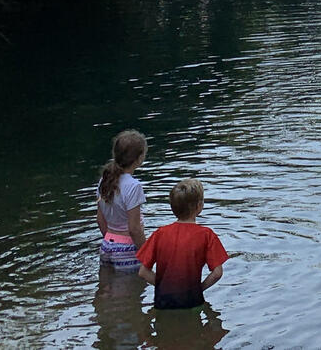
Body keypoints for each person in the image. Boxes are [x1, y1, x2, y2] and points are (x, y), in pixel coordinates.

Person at [138, 178, 229, 309]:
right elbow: (217, 273)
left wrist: (164, 287)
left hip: (163, 302)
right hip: (192, 301)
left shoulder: (159, 234)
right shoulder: (206, 235)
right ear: (199, 206)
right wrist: (199, 289)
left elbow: (143, 272)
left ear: (172, 207)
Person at [96, 129, 148, 273]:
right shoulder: (134, 186)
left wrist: (112, 242)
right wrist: (147, 253)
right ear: (139, 159)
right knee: (132, 287)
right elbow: (134, 229)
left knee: (105, 285)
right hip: (127, 250)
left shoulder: (103, 181)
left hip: (107, 245)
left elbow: (100, 220)